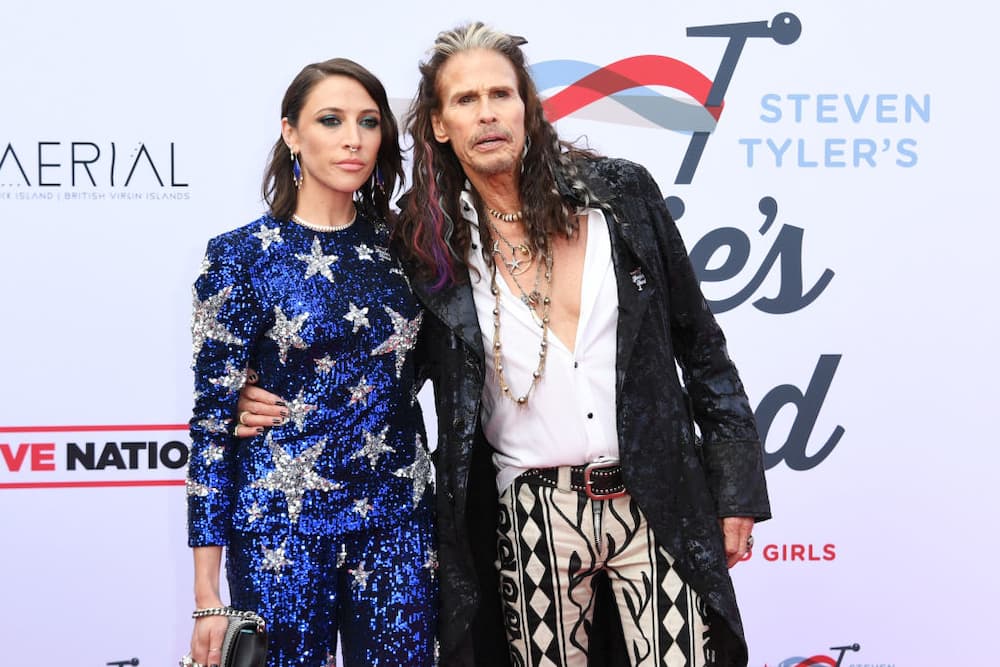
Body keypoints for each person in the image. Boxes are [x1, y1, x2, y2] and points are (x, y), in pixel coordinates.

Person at [239, 23, 770, 667]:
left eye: (501, 93)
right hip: (528, 515)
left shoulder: (622, 196)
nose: (487, 113)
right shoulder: (423, 246)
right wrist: (268, 392)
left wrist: (736, 490)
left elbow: (704, 352)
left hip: (655, 494)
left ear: (527, 107)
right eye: (465, 100)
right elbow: (368, 356)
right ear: (438, 124)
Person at [185, 58, 436, 667]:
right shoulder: (240, 256)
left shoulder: (411, 246)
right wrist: (205, 596)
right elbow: (212, 429)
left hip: (398, 522)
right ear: (291, 133)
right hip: (279, 529)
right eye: (331, 120)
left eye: (369, 122)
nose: (353, 138)